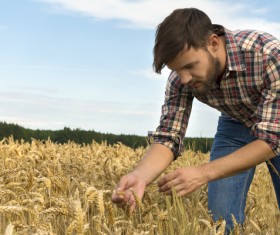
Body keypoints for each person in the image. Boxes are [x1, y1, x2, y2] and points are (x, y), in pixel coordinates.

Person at [111, 7, 280, 233]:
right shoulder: (180, 78)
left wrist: (204, 172)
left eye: (190, 66)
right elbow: (169, 136)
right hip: (235, 124)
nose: (184, 78)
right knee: (221, 220)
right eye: (177, 70)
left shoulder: (268, 56)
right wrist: (140, 175)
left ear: (213, 43)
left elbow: (272, 140)